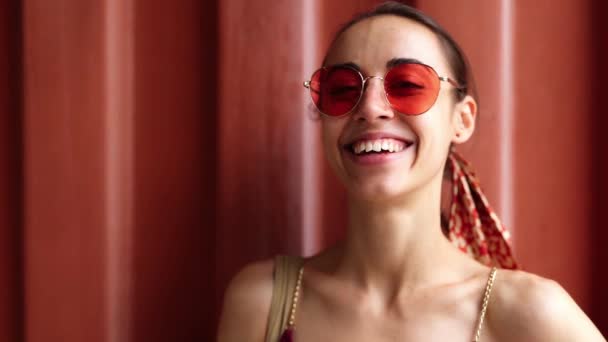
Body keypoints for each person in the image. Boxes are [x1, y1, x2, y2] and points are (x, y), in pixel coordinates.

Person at [217, 2, 606, 341]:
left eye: (406, 84)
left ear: (462, 119)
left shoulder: (528, 313)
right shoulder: (264, 303)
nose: (370, 107)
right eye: (341, 89)